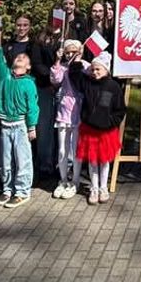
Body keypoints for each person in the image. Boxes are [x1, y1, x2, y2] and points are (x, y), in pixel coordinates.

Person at [0, 29, 39, 209]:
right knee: (5, 160)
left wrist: (31, 126)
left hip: (20, 126)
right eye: (17, 57)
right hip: (5, 125)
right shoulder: (5, 78)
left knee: (23, 159)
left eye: (23, 58)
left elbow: (33, 107)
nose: (19, 58)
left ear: (28, 66)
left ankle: (22, 191)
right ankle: (7, 188)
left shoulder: (28, 83)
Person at [71, 51, 126, 205]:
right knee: (93, 161)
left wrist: (111, 121)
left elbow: (120, 109)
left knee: (104, 160)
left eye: (98, 69)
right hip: (90, 129)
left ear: (106, 70)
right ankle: (94, 188)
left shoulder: (113, 86)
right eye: (93, 69)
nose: (95, 72)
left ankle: (103, 187)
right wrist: (77, 60)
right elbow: (74, 75)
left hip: (106, 130)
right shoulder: (88, 82)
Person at [6, 14, 56, 180]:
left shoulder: (35, 44)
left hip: (36, 89)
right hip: (14, 92)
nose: (21, 28)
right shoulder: (9, 46)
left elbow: (43, 62)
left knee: (39, 129)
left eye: (25, 25)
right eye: (19, 25)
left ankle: (44, 166)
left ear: (30, 26)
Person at [50, 39, 88, 199]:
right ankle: (63, 179)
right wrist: (58, 60)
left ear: (79, 51)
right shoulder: (63, 66)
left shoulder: (85, 65)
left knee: (75, 149)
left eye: (73, 51)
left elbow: (86, 82)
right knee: (62, 149)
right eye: (68, 51)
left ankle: (76, 180)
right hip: (64, 111)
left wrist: (78, 63)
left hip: (78, 111)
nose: (70, 54)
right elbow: (55, 80)